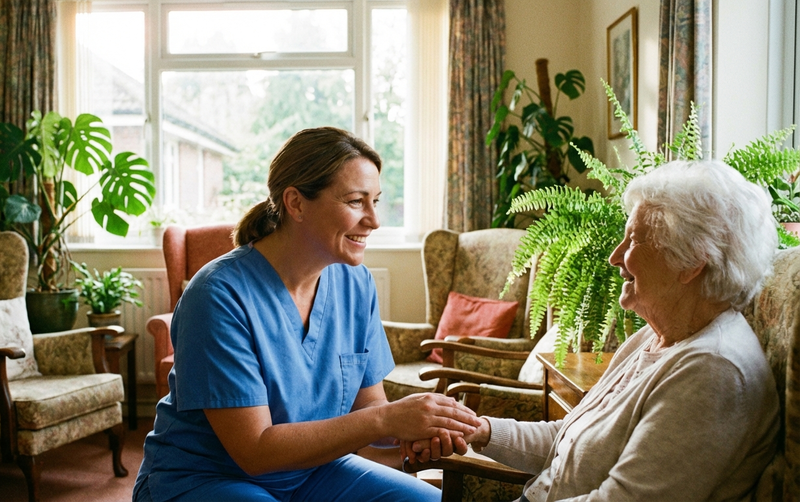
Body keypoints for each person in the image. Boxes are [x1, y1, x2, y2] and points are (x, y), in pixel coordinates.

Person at [133, 127, 480, 502]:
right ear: (296, 203)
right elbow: (255, 451)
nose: (374, 220)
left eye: (375, 201)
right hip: (204, 478)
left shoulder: (356, 283)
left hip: (312, 471)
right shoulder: (217, 295)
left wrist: (414, 431)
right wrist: (387, 419)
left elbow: (370, 406)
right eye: (355, 202)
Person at [407, 160, 780, 501]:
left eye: (634, 240)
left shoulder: (713, 372)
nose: (615, 256)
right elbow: (569, 440)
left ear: (692, 261)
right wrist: (478, 429)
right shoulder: (653, 339)